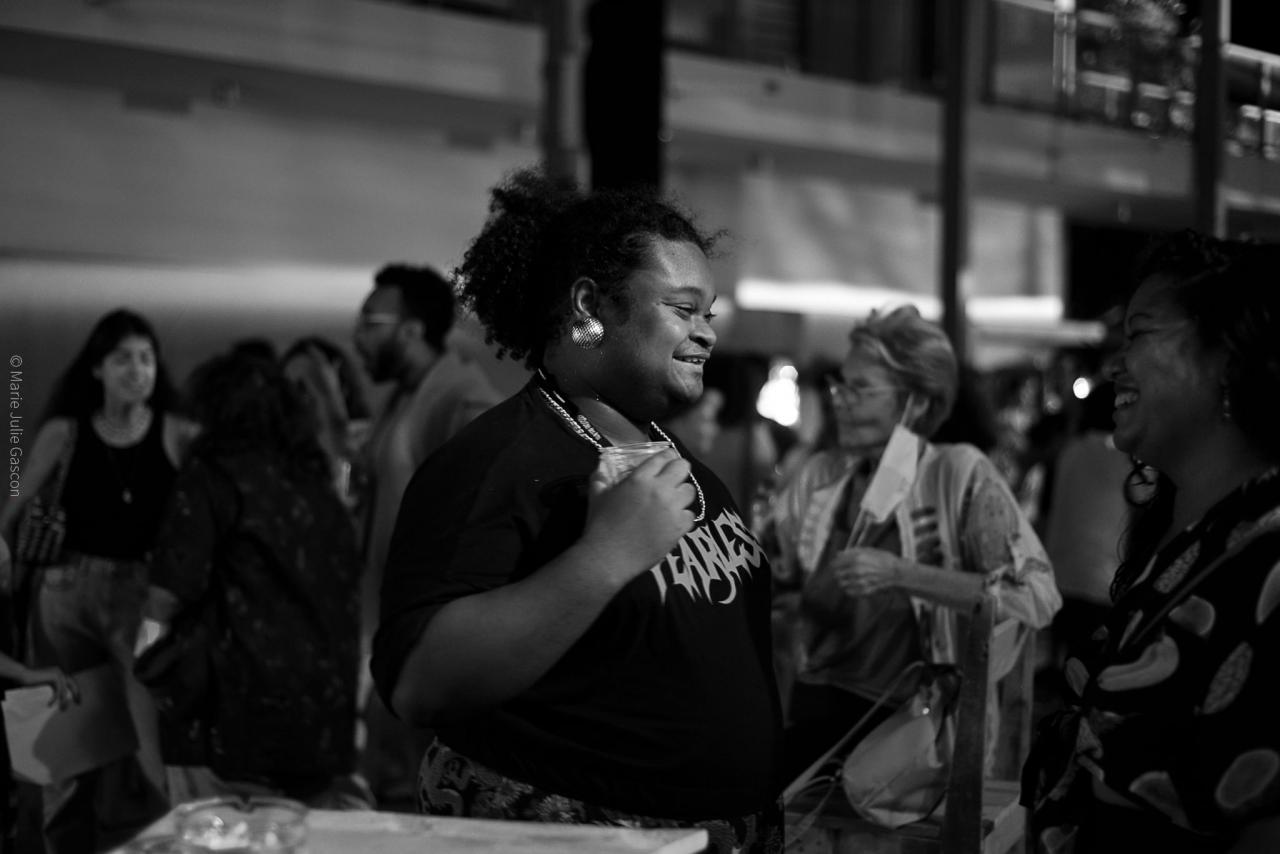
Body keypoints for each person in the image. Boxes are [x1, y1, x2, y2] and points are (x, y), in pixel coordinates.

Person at [371, 166, 783, 853]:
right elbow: (421, 683)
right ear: (590, 306)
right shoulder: (498, 461)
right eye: (682, 309)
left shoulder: (679, 459)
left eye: (708, 314)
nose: (707, 334)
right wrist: (605, 556)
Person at [1022, 232, 1280, 853]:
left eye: (1138, 334)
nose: (1115, 364)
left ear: (1226, 357)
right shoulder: (1190, 538)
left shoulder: (1268, 552)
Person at [768, 305, 1061, 784]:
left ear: (916, 404)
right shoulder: (823, 475)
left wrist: (901, 574)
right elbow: (779, 573)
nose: (839, 400)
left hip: (908, 729)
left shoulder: (956, 472)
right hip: (814, 704)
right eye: (840, 385)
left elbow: (1035, 596)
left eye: (861, 389)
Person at [0, 308, 194, 853]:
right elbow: (15, 501)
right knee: (66, 742)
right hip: (67, 591)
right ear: (97, 368)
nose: (137, 370)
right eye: (123, 358)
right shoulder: (66, 432)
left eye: (146, 358)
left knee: (150, 734)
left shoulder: (176, 432)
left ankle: (161, 840)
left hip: (142, 598)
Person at [143, 348, 365, 807]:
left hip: (230, 716)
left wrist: (144, 656)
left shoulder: (211, 476)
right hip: (319, 718)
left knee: (214, 829)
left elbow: (169, 592)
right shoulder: (315, 482)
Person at [352, 263, 503, 804]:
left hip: (427, 641)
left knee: (416, 794)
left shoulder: (463, 400)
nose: (357, 336)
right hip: (389, 629)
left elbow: (487, 522)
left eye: (371, 322)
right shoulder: (405, 397)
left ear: (412, 331)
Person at [280, 336, 373, 510]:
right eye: (288, 388)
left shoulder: (370, 444)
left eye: (303, 387)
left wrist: (334, 406)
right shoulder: (285, 458)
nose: (298, 399)